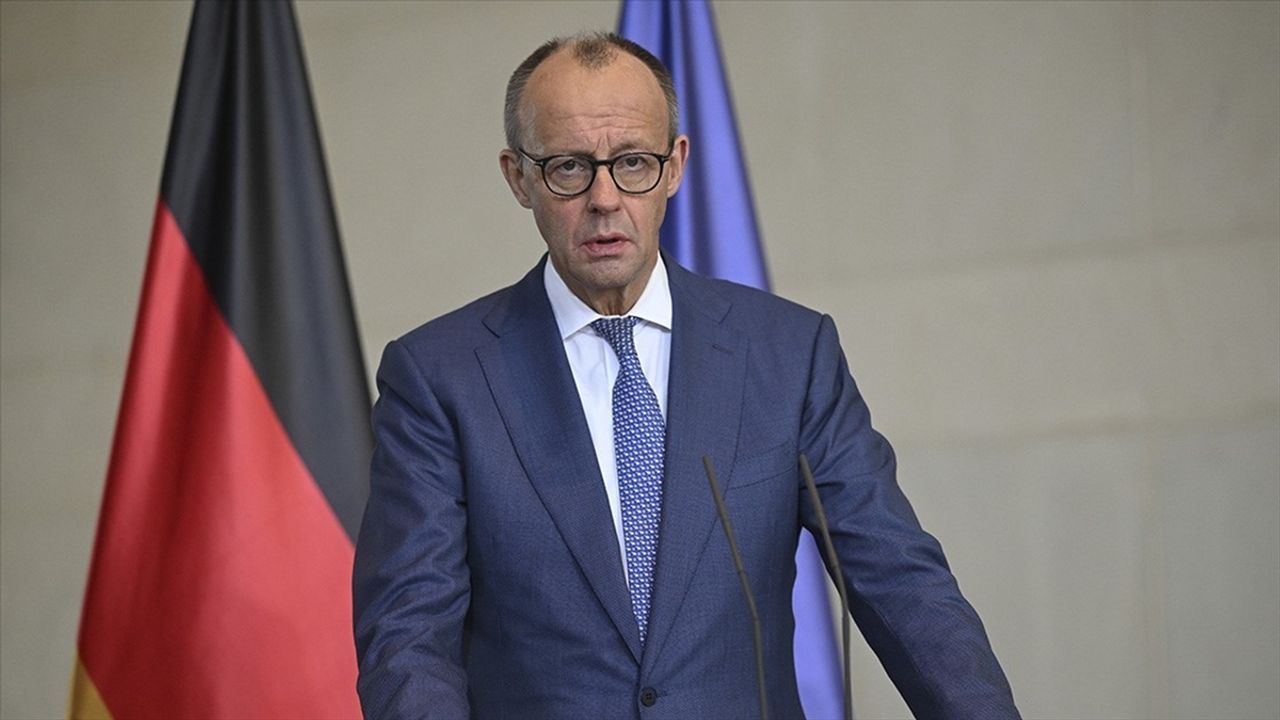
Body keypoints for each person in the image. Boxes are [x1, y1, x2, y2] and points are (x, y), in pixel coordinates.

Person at [352, 32, 1019, 720]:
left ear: (674, 166)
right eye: (569, 168)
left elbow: (901, 583)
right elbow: (407, 637)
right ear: (518, 177)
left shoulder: (787, 355)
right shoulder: (439, 377)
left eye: (632, 163)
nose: (605, 198)